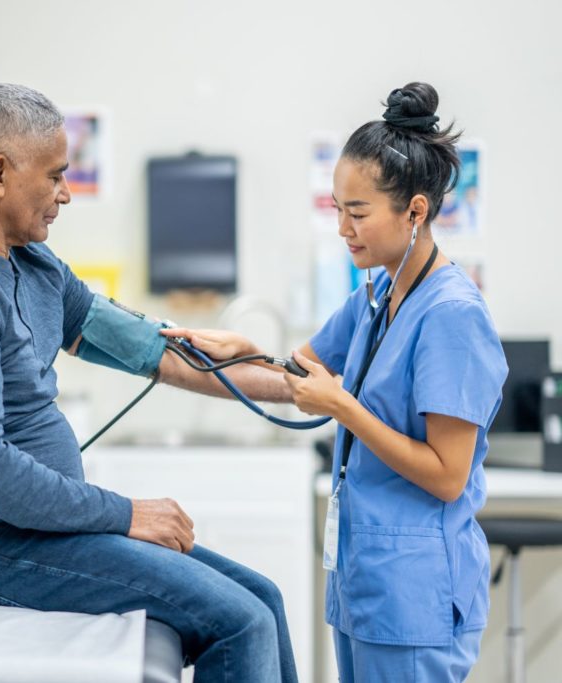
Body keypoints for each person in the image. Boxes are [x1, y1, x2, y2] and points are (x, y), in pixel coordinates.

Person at [0, 83, 297, 682]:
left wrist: (294, 387)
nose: (65, 194)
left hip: (30, 534)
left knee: (265, 600)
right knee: (240, 621)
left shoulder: (29, 259)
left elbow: (147, 349)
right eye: (53, 176)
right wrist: (123, 514)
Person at [164, 82, 507, 682]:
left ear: (416, 211)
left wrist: (345, 409)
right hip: (366, 586)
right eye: (337, 210)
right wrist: (244, 353)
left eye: (358, 213)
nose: (343, 229)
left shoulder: (453, 315)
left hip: (416, 595)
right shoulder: (377, 294)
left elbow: (449, 477)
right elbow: (298, 377)